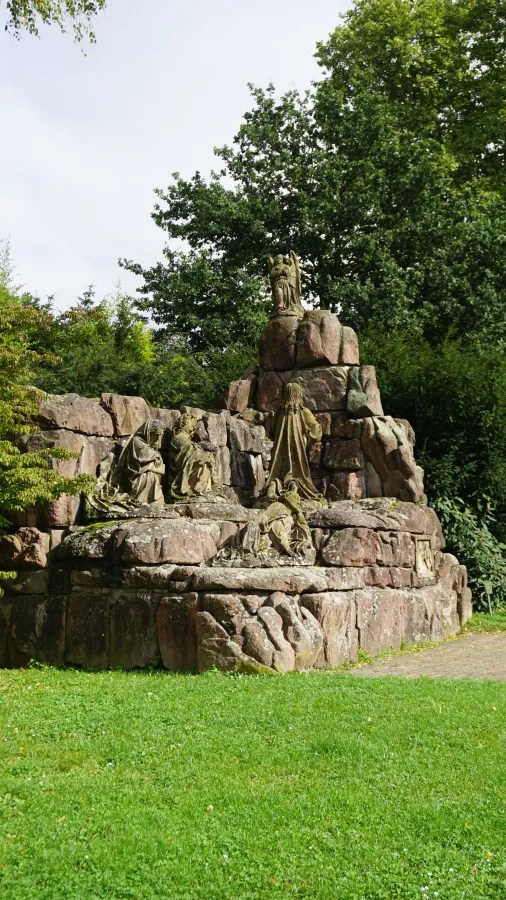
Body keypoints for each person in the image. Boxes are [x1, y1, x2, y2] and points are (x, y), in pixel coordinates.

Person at [265, 382, 325, 507]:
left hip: (280, 450)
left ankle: (278, 485)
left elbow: (271, 432)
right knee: (297, 469)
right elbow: (315, 429)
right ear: (299, 394)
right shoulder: (303, 411)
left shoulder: (279, 412)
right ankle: (294, 486)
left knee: (279, 470)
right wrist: (310, 439)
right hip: (298, 448)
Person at [168, 413, 220, 501]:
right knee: (203, 461)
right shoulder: (177, 438)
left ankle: (203, 490)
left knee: (206, 461)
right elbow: (189, 451)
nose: (194, 425)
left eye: (194, 423)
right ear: (182, 424)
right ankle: (196, 490)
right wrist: (203, 455)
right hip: (182, 471)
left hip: (192, 465)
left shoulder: (188, 441)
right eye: (191, 422)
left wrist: (205, 455)